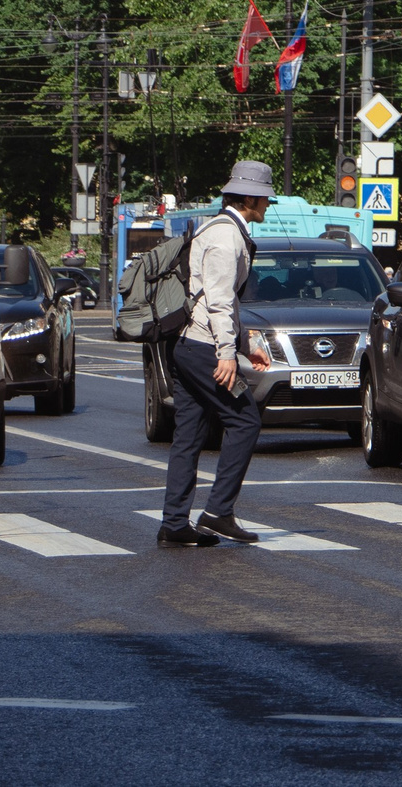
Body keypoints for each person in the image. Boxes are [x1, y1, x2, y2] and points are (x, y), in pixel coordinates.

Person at [158, 162, 269, 549]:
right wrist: (227, 353)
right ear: (251, 198)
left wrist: (245, 344)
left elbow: (216, 299)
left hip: (189, 345)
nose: (267, 207)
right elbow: (220, 301)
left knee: (188, 433)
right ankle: (218, 512)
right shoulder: (226, 238)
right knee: (244, 421)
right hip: (205, 349)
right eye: (266, 200)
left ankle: (174, 522)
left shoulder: (216, 228)